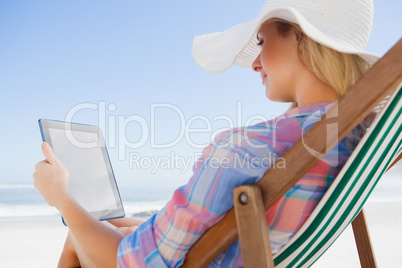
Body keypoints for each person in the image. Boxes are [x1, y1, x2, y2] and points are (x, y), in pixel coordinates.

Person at [33, 0, 379, 267]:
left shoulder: (248, 149)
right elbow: (208, 230)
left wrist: (62, 196)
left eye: (262, 42)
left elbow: (137, 262)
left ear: (300, 39)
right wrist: (107, 221)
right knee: (110, 227)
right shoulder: (351, 135)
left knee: (76, 237)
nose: (256, 63)